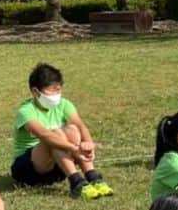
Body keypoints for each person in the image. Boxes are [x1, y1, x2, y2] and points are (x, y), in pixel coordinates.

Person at [11, 63, 113, 200]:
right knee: (55, 135)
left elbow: (80, 126)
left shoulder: (64, 104)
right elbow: (44, 135)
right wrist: (74, 148)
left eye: (58, 90)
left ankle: (93, 177)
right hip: (28, 170)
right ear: (36, 92)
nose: (56, 95)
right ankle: (76, 182)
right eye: (51, 91)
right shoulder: (26, 111)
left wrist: (88, 143)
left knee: (72, 129)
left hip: (57, 167)